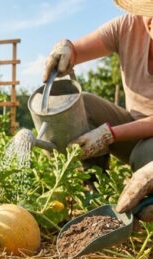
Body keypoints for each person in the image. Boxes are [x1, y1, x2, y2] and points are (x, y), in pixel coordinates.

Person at [43, 0, 153, 220]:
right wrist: (65, 49)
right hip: (133, 127)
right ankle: (93, 193)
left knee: (145, 156)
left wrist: (108, 134)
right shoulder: (128, 26)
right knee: (82, 104)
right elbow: (77, 50)